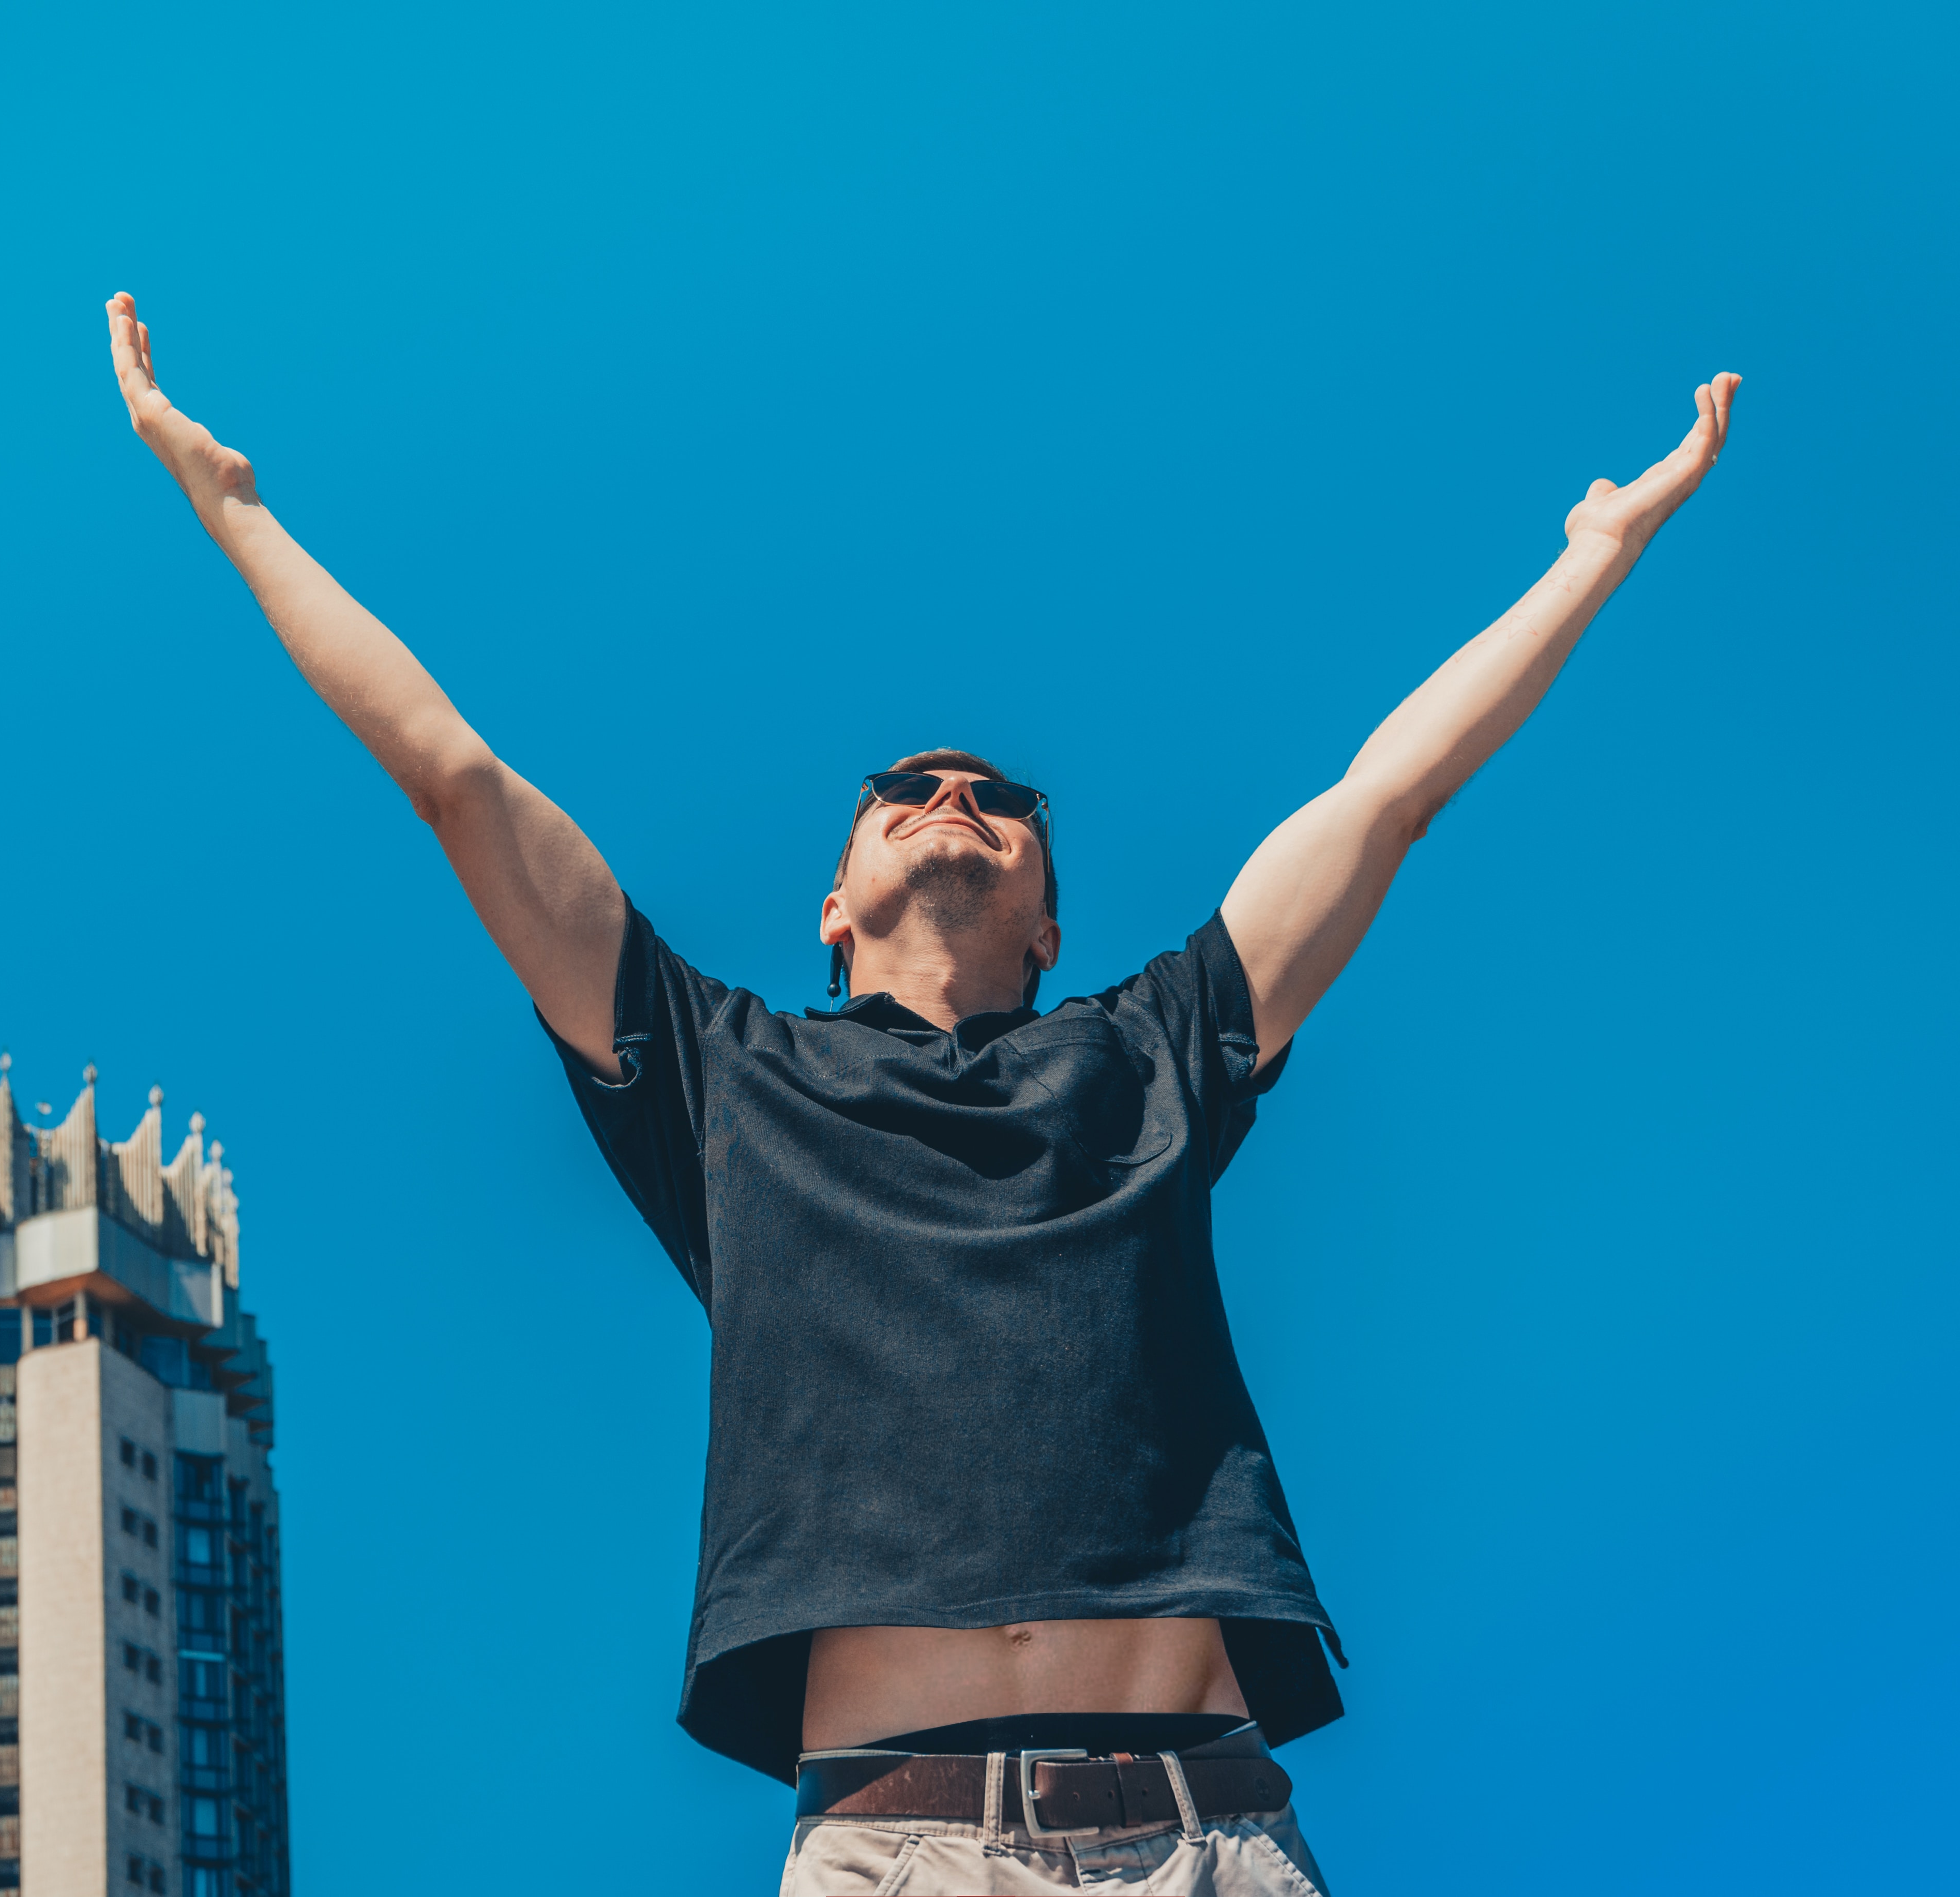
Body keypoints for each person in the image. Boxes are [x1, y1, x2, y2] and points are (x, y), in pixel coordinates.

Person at [106, 291, 1737, 1895]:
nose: (951, 797)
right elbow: (455, 778)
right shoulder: (723, 1075)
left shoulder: (1154, 1048)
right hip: (898, 1846)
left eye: (1000, 798)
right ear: (832, 905)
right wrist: (240, 515)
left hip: (1213, 1837)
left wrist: (1594, 557)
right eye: (905, 791)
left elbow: (1386, 801)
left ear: (1047, 918)